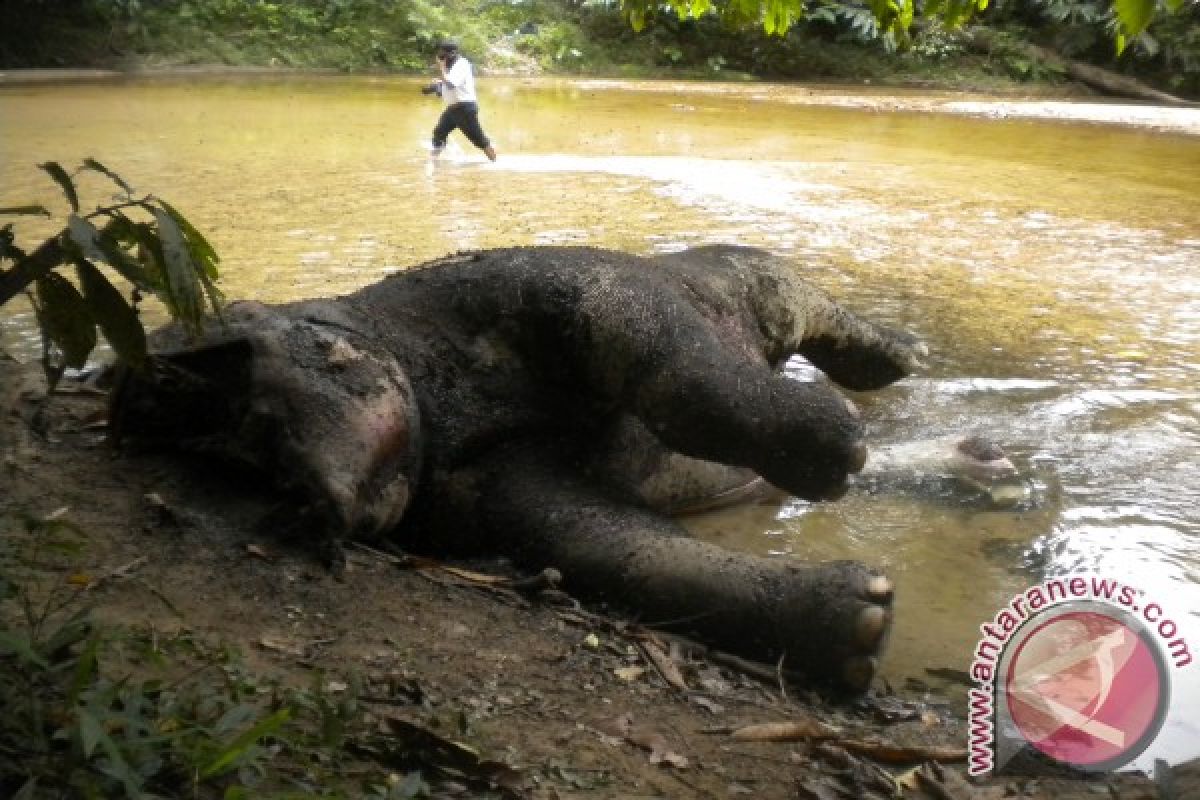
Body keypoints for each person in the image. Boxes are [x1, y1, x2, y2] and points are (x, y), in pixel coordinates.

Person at [427, 41, 496, 162]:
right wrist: (437, 86)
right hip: (453, 110)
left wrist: (442, 68)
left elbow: (451, 84)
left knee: (480, 141)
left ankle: (496, 164)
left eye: (442, 56)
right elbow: (448, 87)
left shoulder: (461, 64)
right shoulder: (451, 67)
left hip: (464, 109)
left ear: (451, 54)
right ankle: (433, 161)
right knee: (439, 133)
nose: (441, 59)